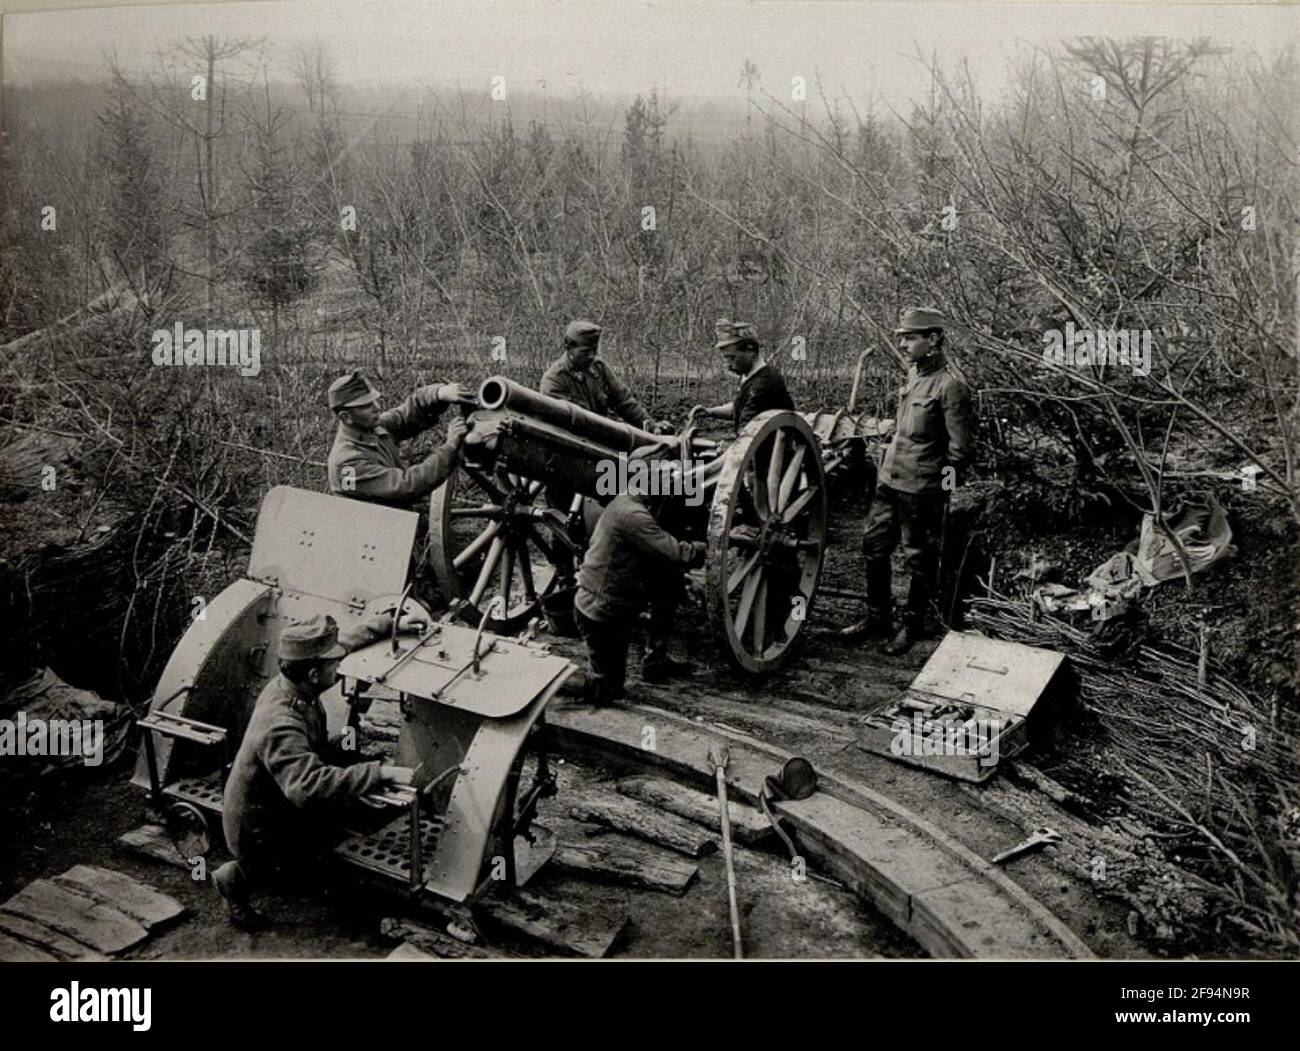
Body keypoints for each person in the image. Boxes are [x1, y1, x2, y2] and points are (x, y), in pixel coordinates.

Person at [211, 613, 417, 928]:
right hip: (259, 828)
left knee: (339, 803)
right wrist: (379, 774)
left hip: (278, 798)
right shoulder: (280, 720)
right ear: (313, 673)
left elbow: (342, 643)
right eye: (334, 665)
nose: (339, 667)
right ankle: (233, 879)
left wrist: (391, 625)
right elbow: (307, 787)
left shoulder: (295, 681)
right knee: (296, 865)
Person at [840, 307, 975, 655]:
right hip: (889, 479)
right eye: (901, 337)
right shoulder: (915, 373)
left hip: (922, 488)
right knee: (873, 548)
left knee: (919, 559)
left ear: (934, 339)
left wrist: (944, 491)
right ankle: (878, 616)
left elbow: (959, 451)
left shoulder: (951, 385)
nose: (902, 344)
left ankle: (912, 625)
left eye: (910, 338)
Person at [571, 451, 707, 704]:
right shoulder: (634, 516)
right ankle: (550, 679)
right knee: (606, 689)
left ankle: (642, 665)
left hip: (606, 606)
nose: (671, 482)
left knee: (613, 683)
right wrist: (706, 547)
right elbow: (677, 553)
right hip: (601, 611)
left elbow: (651, 560)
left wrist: (684, 581)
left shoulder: (625, 502)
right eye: (664, 476)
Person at [326, 370, 471, 507]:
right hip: (375, 523)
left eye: (374, 400)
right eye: (366, 406)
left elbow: (406, 415)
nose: (377, 407)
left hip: (394, 517)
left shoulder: (370, 428)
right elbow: (407, 486)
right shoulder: (347, 464)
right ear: (346, 417)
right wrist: (450, 447)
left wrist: (438, 394)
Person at [540, 320, 672, 435]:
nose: (591, 356)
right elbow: (573, 424)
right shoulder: (554, 381)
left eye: (594, 350)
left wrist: (651, 426)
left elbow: (623, 401)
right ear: (569, 347)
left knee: (637, 453)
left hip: (603, 438)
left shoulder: (598, 368)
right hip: (574, 444)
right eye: (586, 352)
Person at [692, 320, 795, 433]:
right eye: (725, 358)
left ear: (750, 351)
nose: (728, 365)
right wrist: (710, 412)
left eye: (732, 358)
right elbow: (739, 407)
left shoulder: (764, 384)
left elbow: (746, 433)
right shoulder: (750, 375)